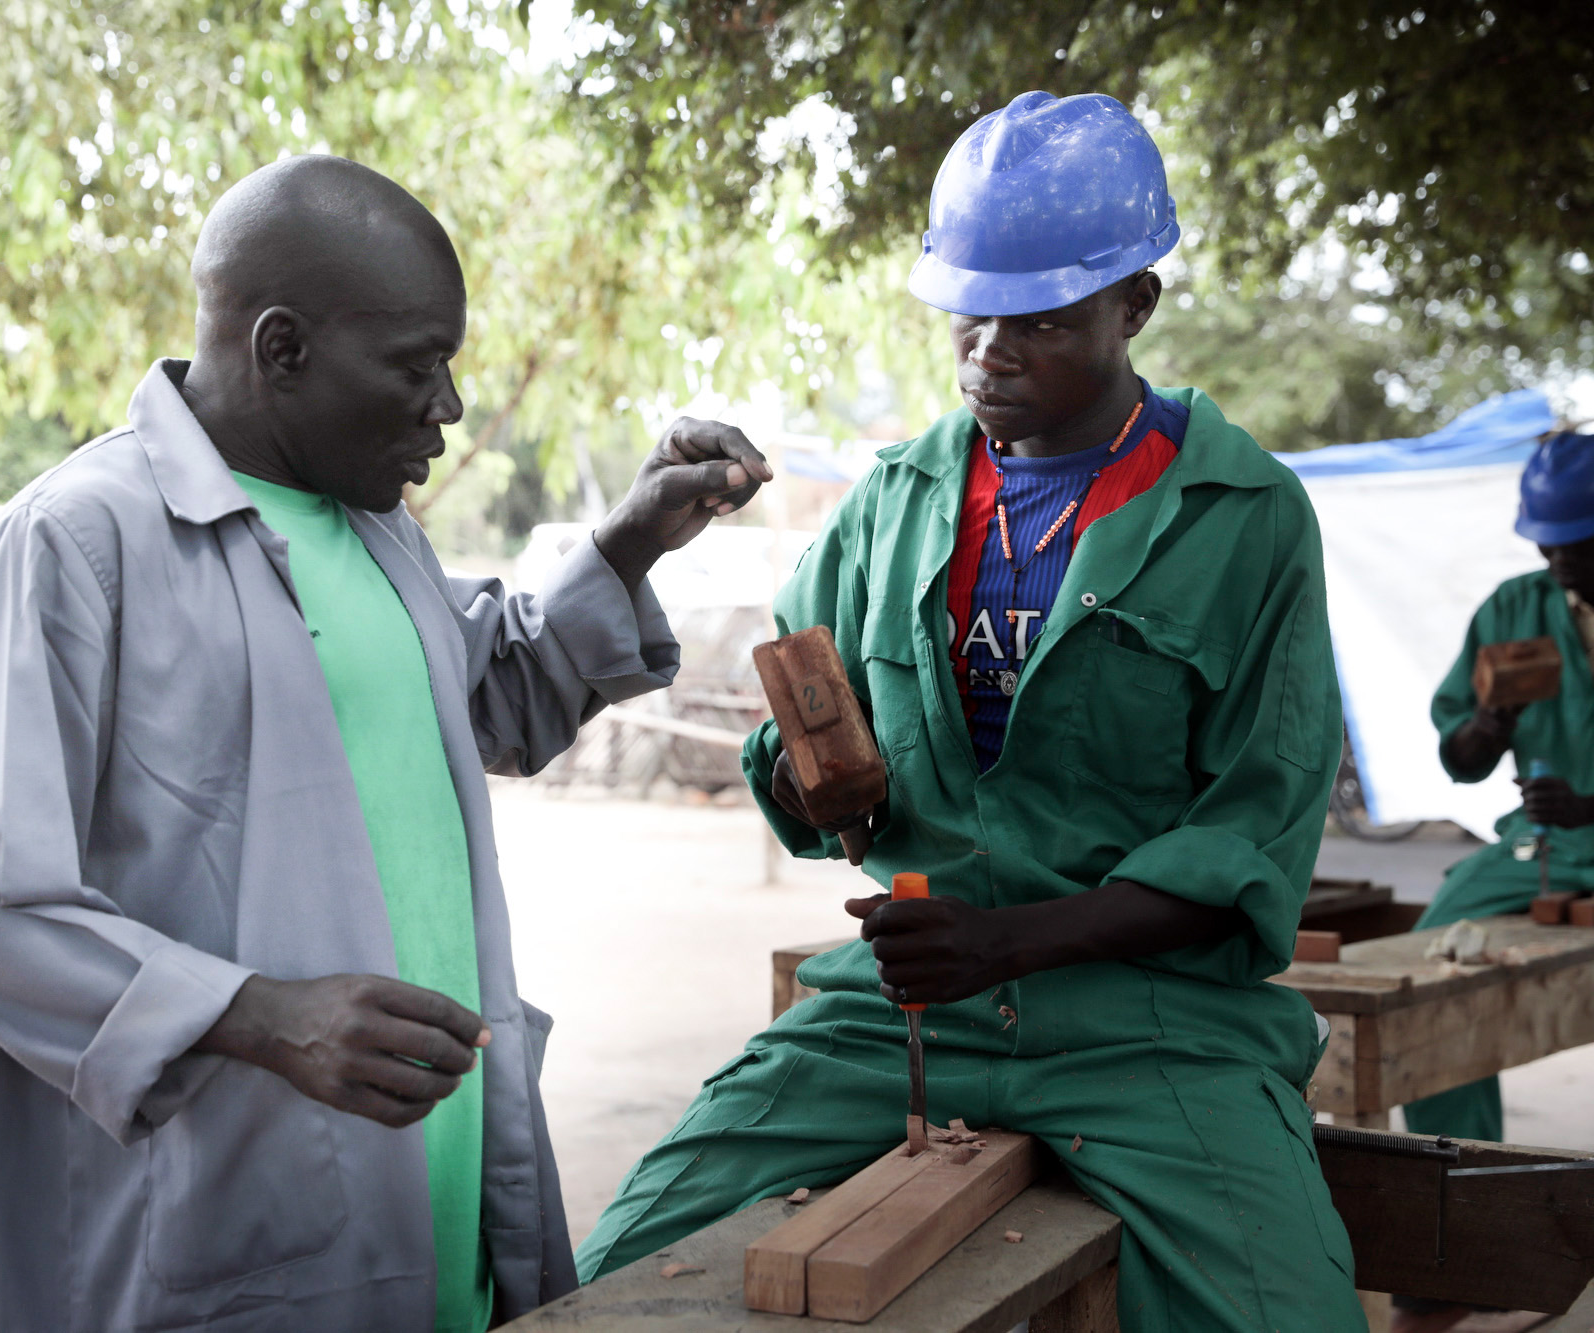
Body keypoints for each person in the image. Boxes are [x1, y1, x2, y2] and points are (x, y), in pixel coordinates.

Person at [0, 154, 772, 1333]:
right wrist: (263, 1015)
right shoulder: (76, 545)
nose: (448, 408)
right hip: (220, 1223)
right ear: (280, 349)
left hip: (438, 1196)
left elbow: (488, 703)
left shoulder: (376, 532)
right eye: (417, 367)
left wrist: (626, 545)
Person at [575, 91, 1365, 1331]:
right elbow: (790, 745)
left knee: (1285, 1312)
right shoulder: (890, 503)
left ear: (1132, 307)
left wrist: (1010, 942)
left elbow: (1252, 836)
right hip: (900, 1015)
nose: (988, 352)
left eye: (1038, 322)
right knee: (615, 1270)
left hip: (1150, 1025)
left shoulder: (1244, 517)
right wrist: (807, 778)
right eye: (970, 316)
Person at [1404, 433, 1594, 1143]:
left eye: (1579, 540)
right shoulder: (1513, 609)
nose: (1561, 558)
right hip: (1542, 845)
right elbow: (1462, 754)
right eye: (1549, 543)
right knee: (1437, 963)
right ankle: (1457, 1162)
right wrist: (1485, 729)